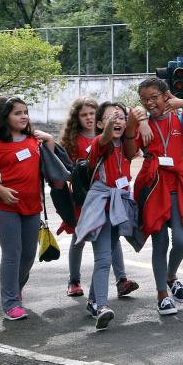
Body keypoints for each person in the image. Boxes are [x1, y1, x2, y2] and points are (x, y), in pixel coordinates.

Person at [127, 77, 183, 316]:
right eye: (144, 99)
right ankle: (162, 294)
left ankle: (171, 274)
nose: (149, 102)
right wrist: (136, 125)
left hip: (178, 184)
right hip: (152, 186)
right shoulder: (142, 119)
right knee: (159, 243)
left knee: (182, 240)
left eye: (154, 97)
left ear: (166, 95)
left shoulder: (180, 117)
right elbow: (131, 153)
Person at [0, 96, 56, 321]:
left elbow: (49, 162)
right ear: (4, 117)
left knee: (28, 255)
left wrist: (50, 139)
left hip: (33, 207)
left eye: (25, 112)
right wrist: (2, 191)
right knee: (12, 254)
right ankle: (11, 302)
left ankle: (15, 289)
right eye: (17, 113)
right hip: (5, 208)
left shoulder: (32, 140)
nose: (24, 116)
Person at [58, 96, 138, 299]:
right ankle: (75, 280)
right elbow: (68, 167)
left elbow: (132, 143)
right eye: (84, 114)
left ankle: (116, 283)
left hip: (115, 200)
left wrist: (138, 121)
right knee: (81, 238)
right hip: (89, 197)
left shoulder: (122, 140)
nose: (89, 118)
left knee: (110, 245)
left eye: (92, 114)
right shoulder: (89, 140)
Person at [78, 101, 140, 330]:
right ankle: (102, 307)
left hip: (119, 206)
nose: (117, 120)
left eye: (122, 117)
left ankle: (93, 301)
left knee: (110, 250)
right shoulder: (99, 143)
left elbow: (134, 149)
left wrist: (135, 126)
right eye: (111, 117)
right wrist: (113, 124)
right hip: (101, 207)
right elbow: (104, 137)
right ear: (100, 123)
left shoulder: (127, 145)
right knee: (103, 259)